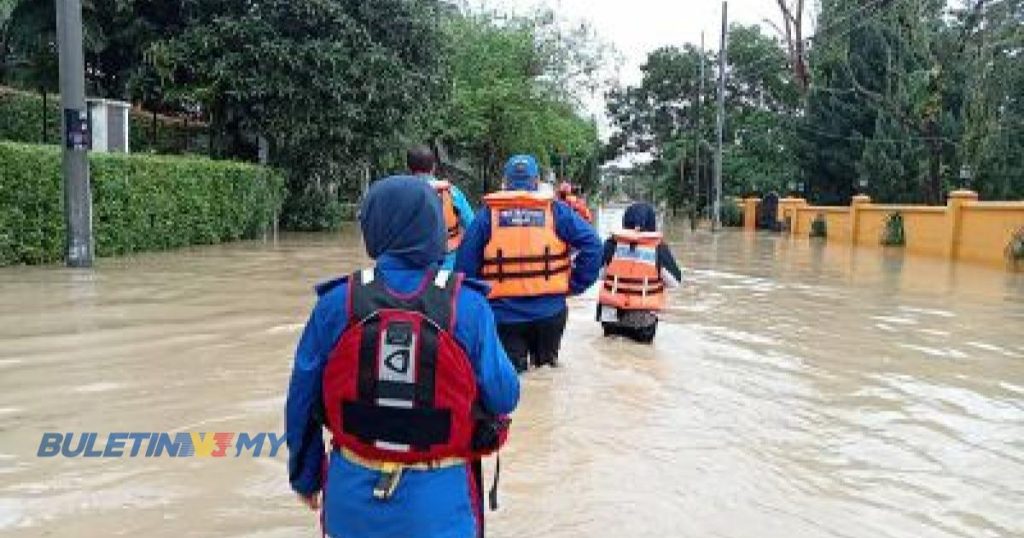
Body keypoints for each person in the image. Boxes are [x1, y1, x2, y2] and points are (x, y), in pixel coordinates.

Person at [285, 176, 520, 538]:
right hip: (442, 509)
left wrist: (305, 479)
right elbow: (505, 396)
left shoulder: (335, 303)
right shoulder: (468, 307)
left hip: (351, 503)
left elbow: (301, 401)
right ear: (434, 229)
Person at [456, 155, 602, 373]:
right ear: (536, 182)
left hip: (504, 316)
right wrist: (575, 284)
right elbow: (593, 245)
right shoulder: (556, 211)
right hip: (550, 313)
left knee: (514, 380)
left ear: (505, 183)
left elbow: (464, 269)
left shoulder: (487, 216)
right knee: (546, 376)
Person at [597, 202, 682, 343]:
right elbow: (674, 282)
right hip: (642, 321)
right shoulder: (659, 248)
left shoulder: (611, 244)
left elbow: (597, 274)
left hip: (610, 317)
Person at [408, 144, 475, 269]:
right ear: (433, 167)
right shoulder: (452, 193)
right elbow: (473, 227)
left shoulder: (403, 195)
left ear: (409, 168)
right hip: (448, 263)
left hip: (415, 264)